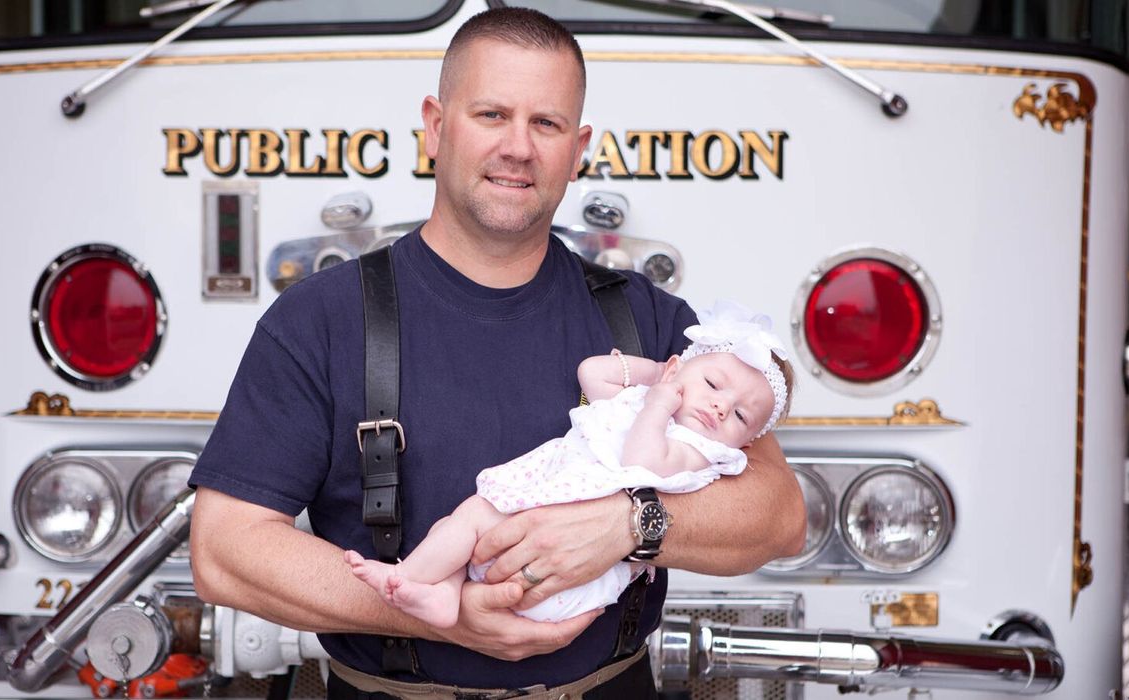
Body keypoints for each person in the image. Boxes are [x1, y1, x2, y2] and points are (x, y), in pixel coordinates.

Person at [188, 6, 805, 697]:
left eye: (546, 124)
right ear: (435, 125)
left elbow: (780, 516)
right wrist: (437, 614)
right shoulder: (320, 319)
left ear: (578, 147)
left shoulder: (651, 322)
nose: (518, 147)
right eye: (491, 115)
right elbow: (225, 549)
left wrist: (628, 524)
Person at [345, 303, 795, 628]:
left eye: (740, 416)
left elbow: (641, 464)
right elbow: (592, 373)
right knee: (457, 526)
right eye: (713, 383)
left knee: (475, 517)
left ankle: (402, 576)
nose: (720, 407)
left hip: (568, 576)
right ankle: (443, 594)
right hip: (537, 536)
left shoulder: (697, 451)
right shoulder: (643, 398)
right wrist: (660, 373)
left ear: (746, 441)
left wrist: (660, 403)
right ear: (678, 370)